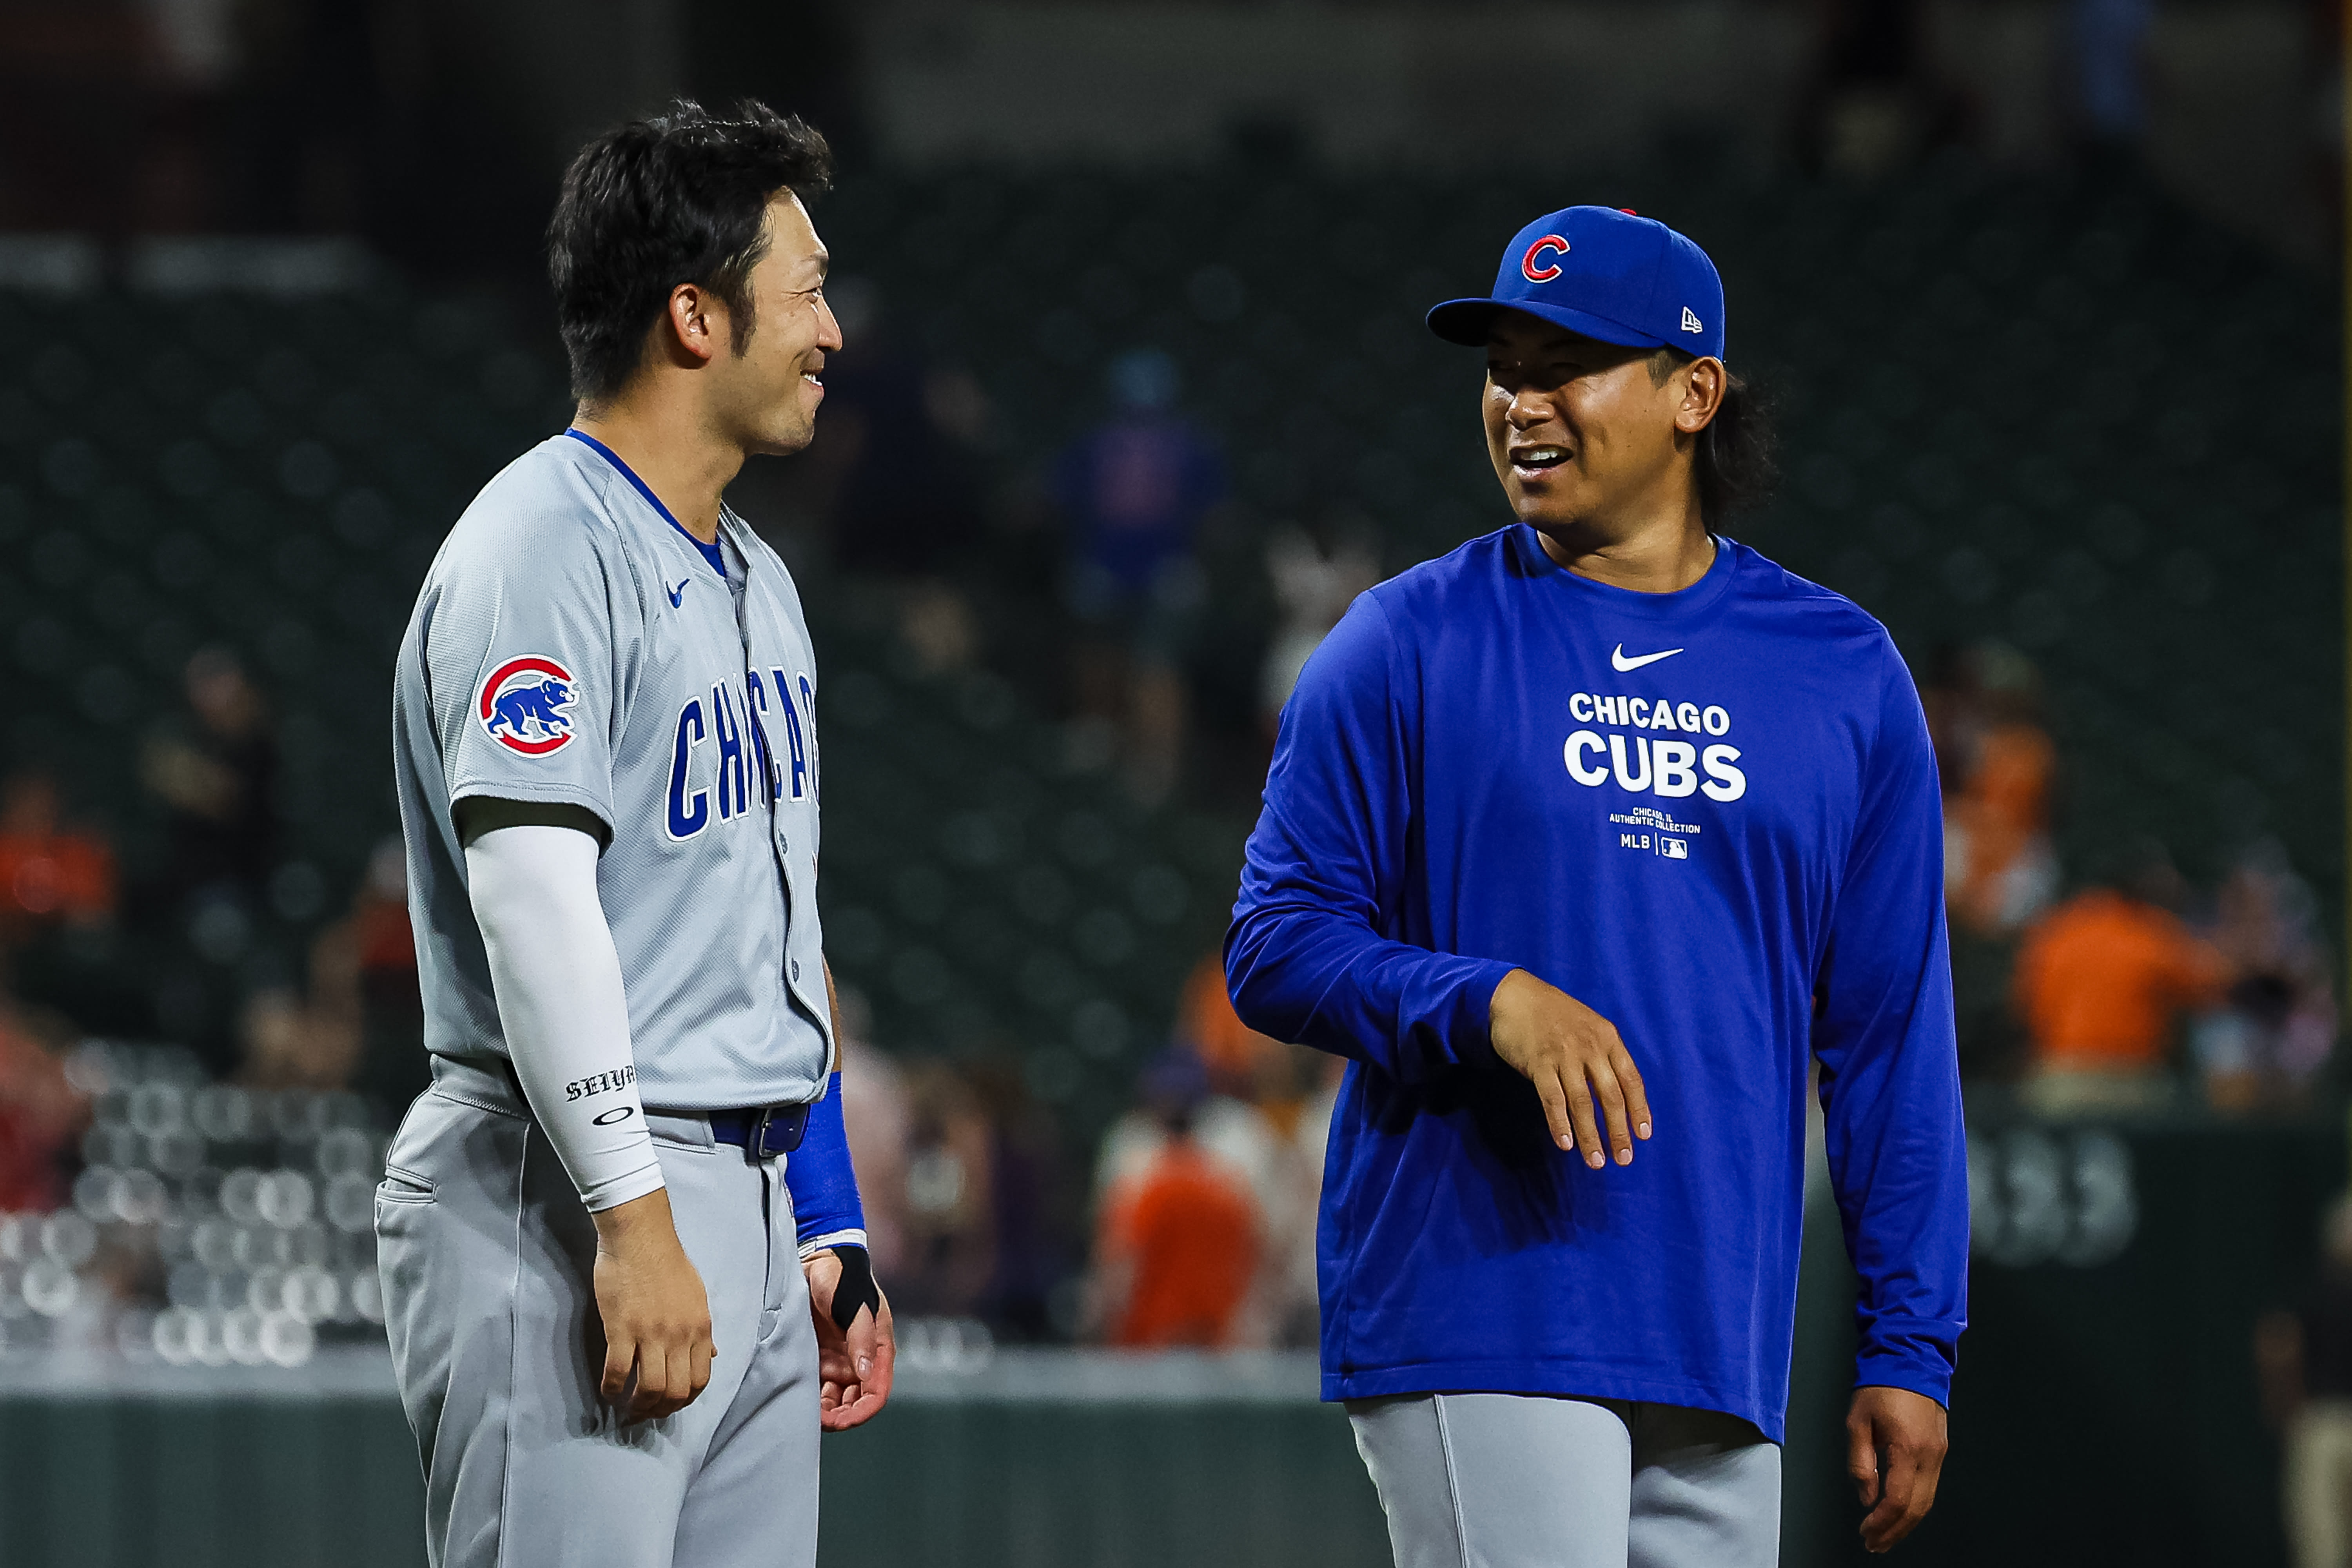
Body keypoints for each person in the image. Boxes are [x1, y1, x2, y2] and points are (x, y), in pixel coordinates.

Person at [1226, 205, 1966, 1564]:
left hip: (1715, 1324)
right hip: (1481, 1290)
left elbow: (1888, 1040)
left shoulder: (1840, 672)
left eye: (1570, 363)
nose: (1522, 402)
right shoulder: (1405, 640)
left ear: (1695, 393)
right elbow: (1274, 941)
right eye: (1504, 366)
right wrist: (1484, 999)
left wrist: (1910, 1342)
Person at [376, 101, 893, 1568]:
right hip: (572, 1185)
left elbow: (773, 931)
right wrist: (631, 1216)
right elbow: (534, 905)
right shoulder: (542, 545)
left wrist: (827, 1214)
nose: (831, 332)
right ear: (692, 316)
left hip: (734, 1182)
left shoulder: (759, 581)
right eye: (802, 292)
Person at [2011, 842, 2228, 1115]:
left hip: (2060, 1078)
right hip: (2130, 1081)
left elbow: (2025, 1005)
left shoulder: (2057, 929)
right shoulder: (2148, 930)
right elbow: (2210, 987)